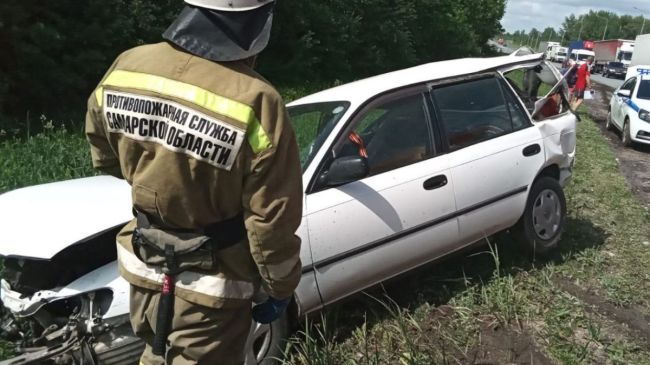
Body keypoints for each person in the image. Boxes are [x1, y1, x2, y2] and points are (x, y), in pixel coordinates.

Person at [85, 1, 303, 364]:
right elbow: (271, 217)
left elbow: (103, 154)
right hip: (212, 285)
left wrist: (156, 184)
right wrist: (279, 285)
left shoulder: (127, 66)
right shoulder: (256, 99)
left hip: (144, 264)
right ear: (255, 23)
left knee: (155, 357)